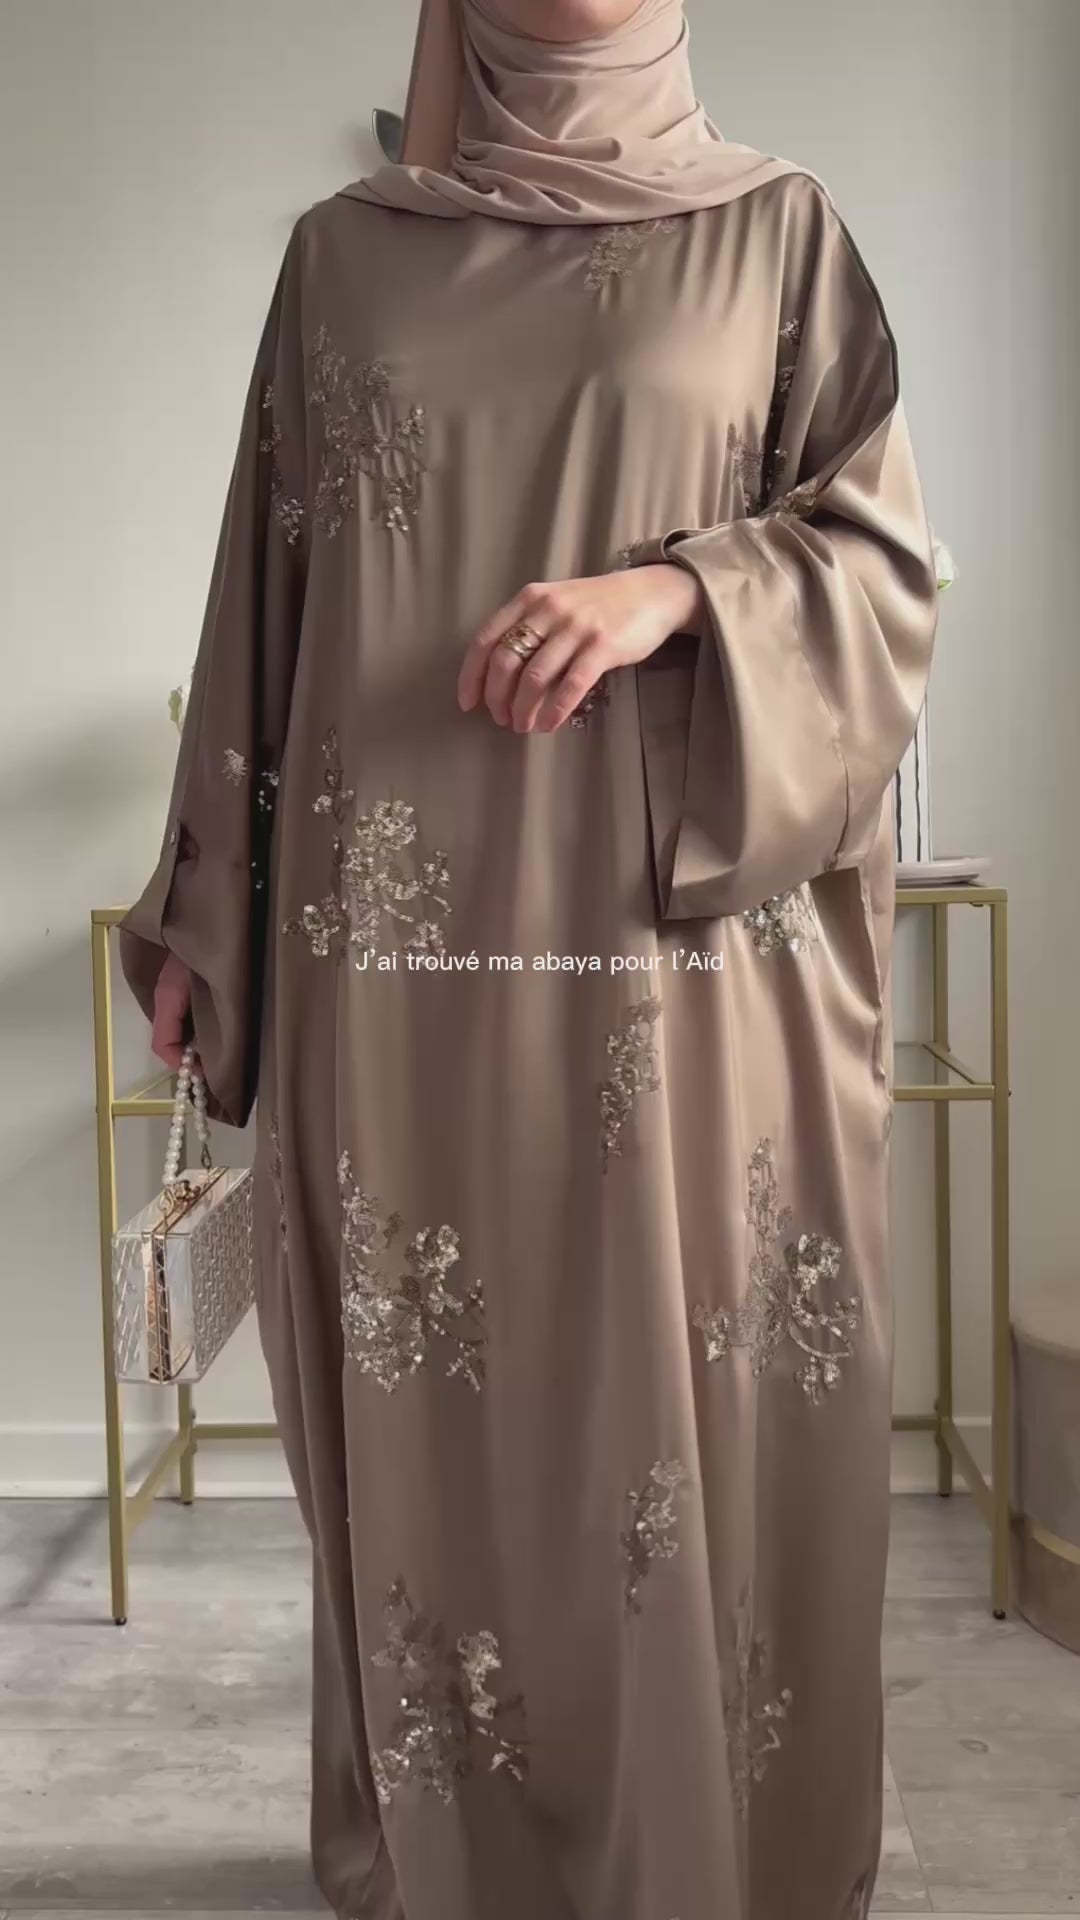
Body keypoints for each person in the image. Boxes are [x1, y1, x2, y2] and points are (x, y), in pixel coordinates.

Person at [120, 1, 938, 1914]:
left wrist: (677, 592)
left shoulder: (780, 235)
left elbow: (886, 575)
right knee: (448, 1432)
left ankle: (697, 1856)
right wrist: (202, 919)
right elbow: (263, 598)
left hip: (684, 977)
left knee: (671, 1421)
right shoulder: (345, 259)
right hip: (396, 984)